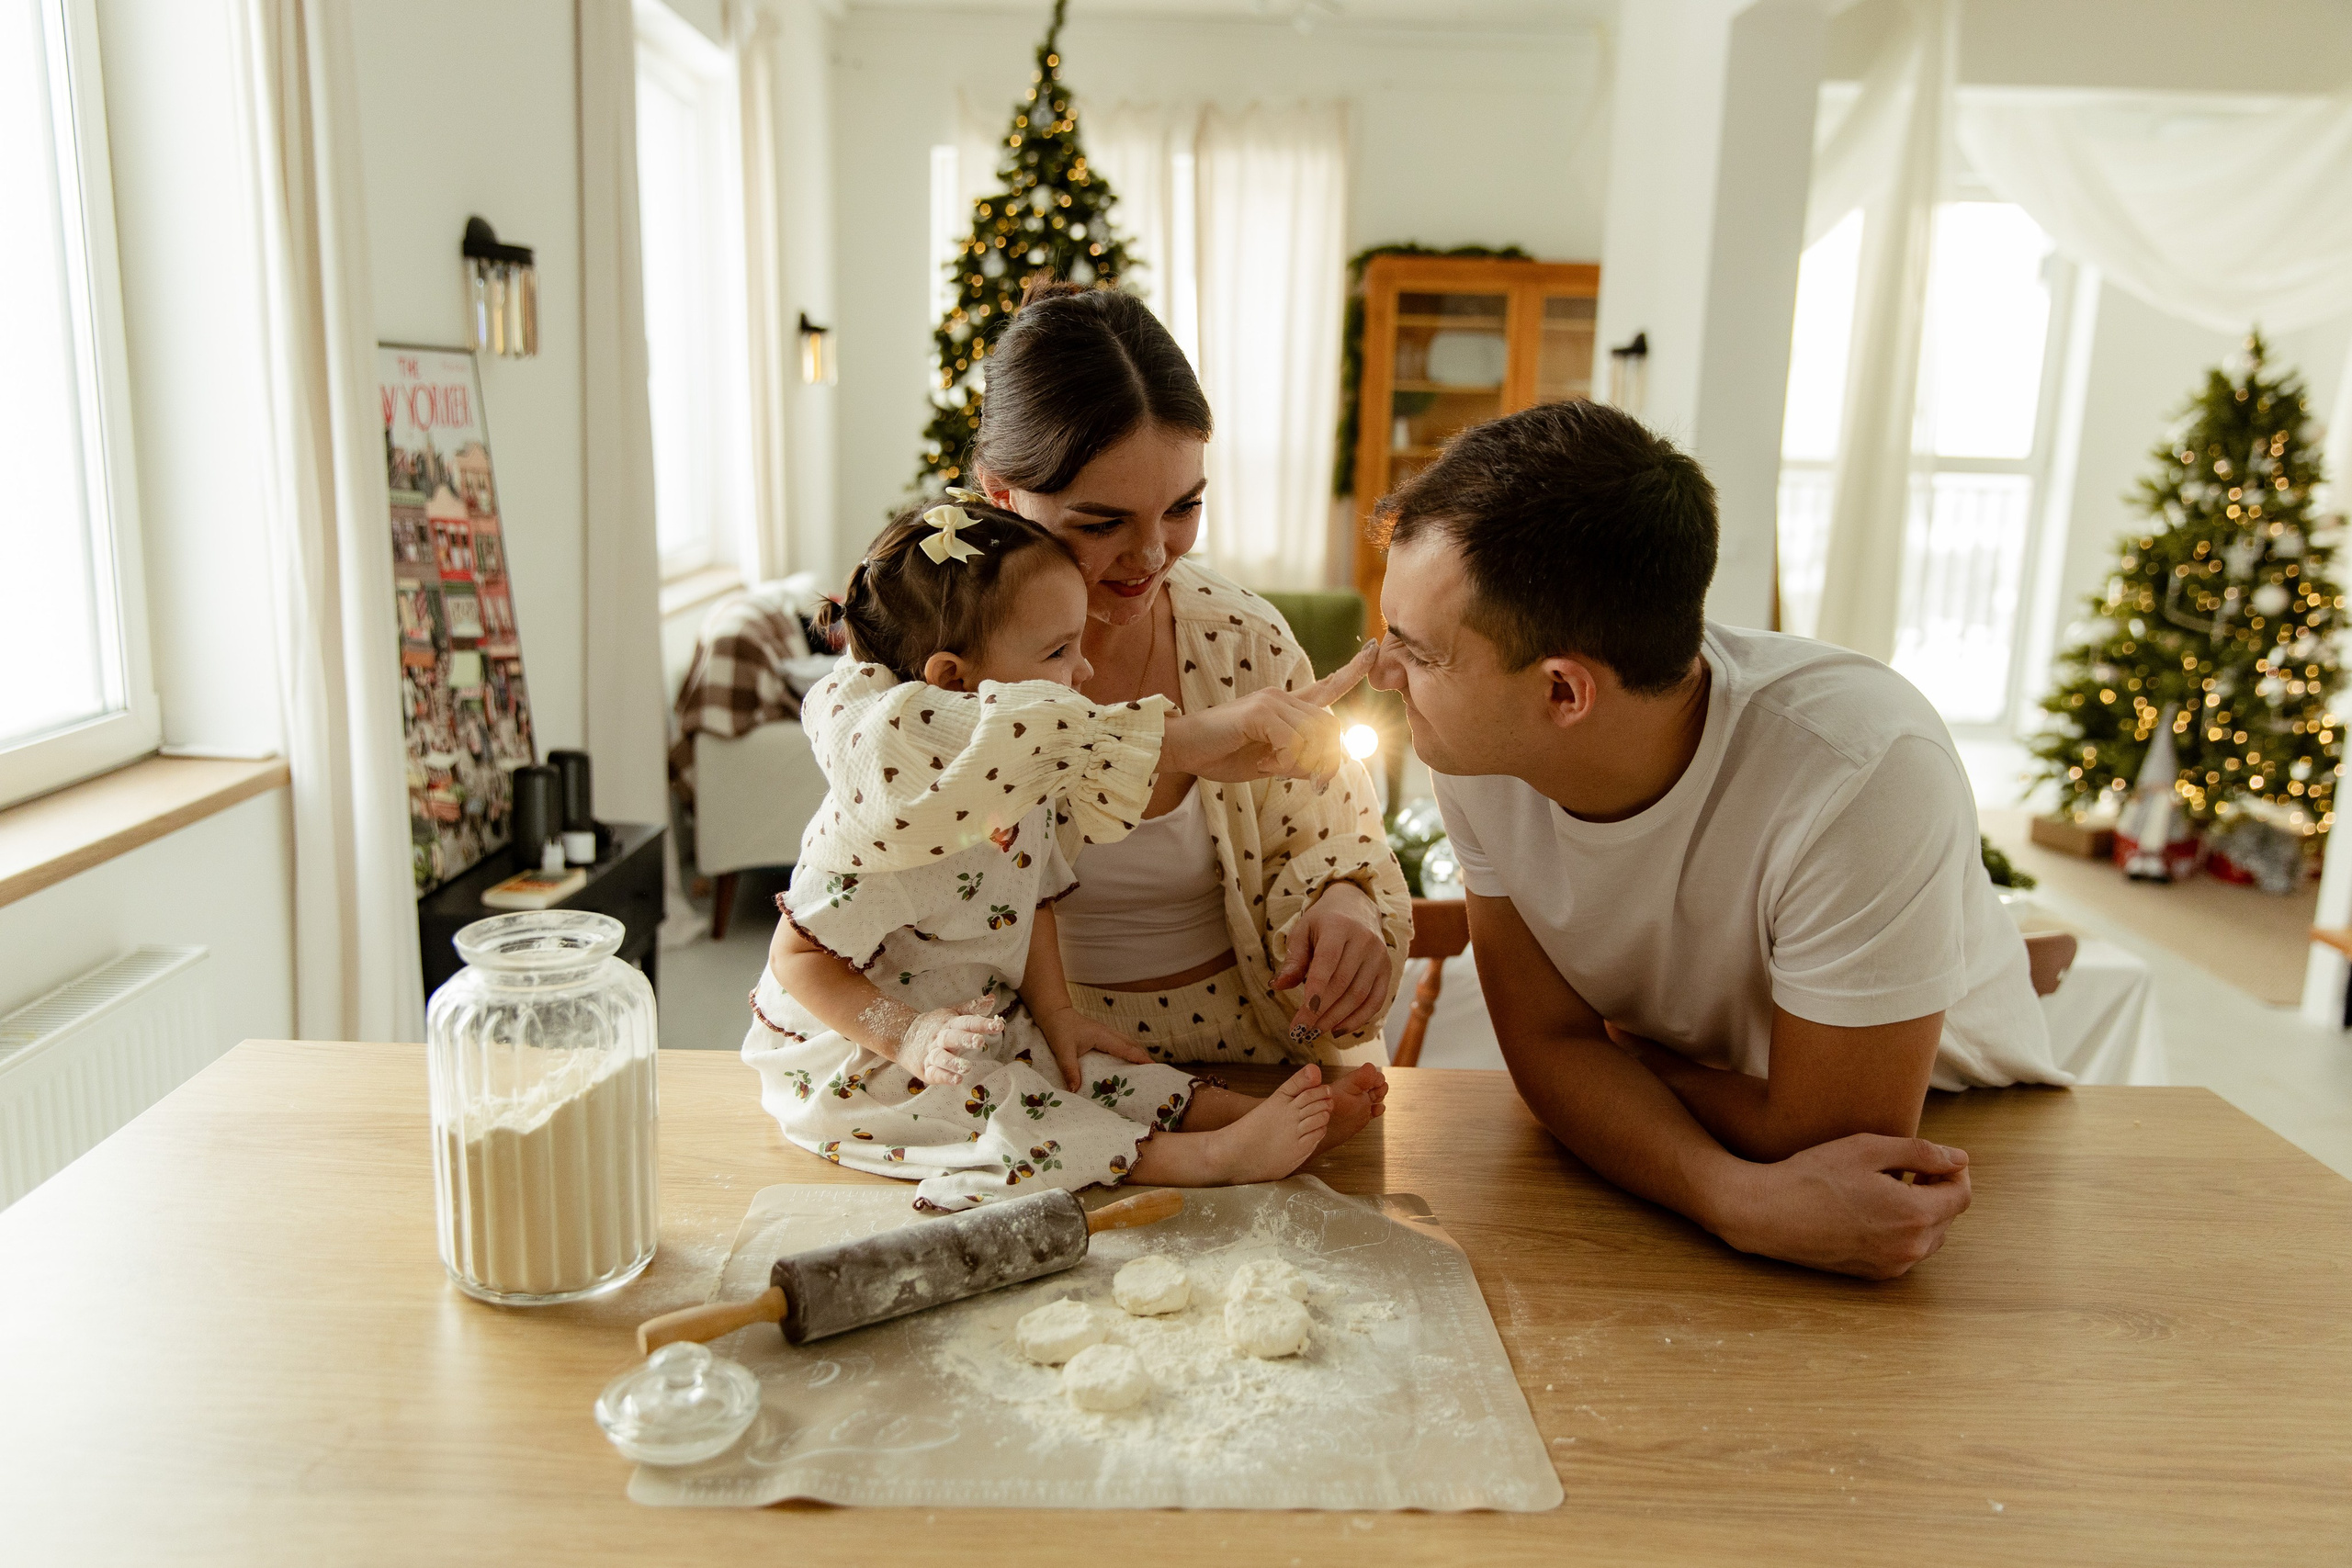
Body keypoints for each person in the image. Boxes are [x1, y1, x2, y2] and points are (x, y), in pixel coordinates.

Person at [1366, 400, 2067, 1280]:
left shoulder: (1859, 770)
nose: (1381, 671)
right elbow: (1545, 1052)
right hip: (1707, 1151)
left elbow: (1830, 1145)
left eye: (1419, 653)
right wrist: (1728, 1197)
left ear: (1564, 693)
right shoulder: (1482, 747)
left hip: (1962, 1147)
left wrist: (1618, 1058)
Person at [828, 276, 1411, 1067]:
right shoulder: (925, 651)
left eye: (1183, 508)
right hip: (1020, 1072)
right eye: (1103, 522)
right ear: (1001, 492)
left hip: (1253, 1051)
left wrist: (1345, 907)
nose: (1152, 555)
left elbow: (1334, 840)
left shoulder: (1242, 639)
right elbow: (888, 801)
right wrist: (1178, 743)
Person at [744, 499, 1385, 1211]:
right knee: (1016, 1117)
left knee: (1088, 1068)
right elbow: (798, 960)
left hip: (972, 1025)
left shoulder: (1026, 779)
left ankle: (1236, 1115)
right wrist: (911, 1036)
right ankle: (1205, 1156)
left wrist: (1056, 1012)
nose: (1084, 670)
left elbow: (1034, 898)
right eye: (1057, 651)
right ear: (955, 682)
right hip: (864, 1065)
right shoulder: (889, 833)